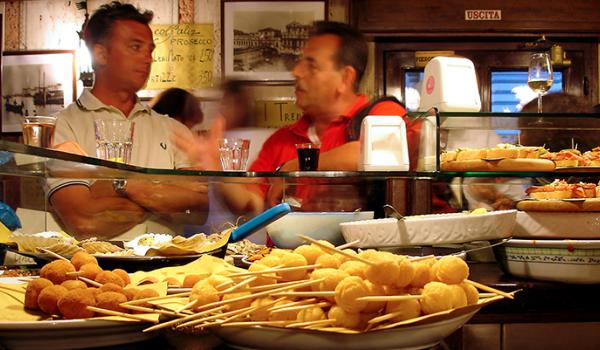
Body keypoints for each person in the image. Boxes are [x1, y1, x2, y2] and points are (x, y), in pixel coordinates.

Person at [175, 21, 412, 216]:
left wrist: (297, 166)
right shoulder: (281, 139)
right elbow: (250, 204)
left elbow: (379, 154)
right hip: (286, 262)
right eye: (300, 62)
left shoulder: (383, 112)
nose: (296, 72)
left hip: (358, 262)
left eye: (311, 66)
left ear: (345, 77)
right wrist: (218, 170)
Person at [48, 2, 208, 239]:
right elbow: (83, 221)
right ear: (101, 53)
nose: (147, 58)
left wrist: (118, 185)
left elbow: (197, 210)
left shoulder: (173, 129)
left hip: (166, 271)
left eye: (150, 50)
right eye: (135, 46)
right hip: (98, 272)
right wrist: (161, 196)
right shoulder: (66, 125)